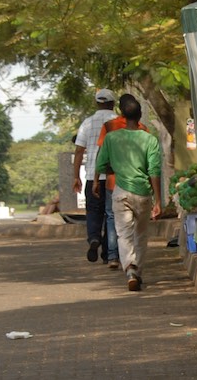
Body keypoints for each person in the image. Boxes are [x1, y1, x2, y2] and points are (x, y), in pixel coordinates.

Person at [93, 96, 162, 291]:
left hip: (120, 192)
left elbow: (101, 164)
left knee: (124, 234)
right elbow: (154, 171)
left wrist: (98, 180)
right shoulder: (150, 139)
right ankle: (137, 271)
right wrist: (158, 201)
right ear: (140, 116)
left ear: (122, 115)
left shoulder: (112, 138)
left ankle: (130, 268)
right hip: (143, 194)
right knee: (140, 234)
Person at [73, 89, 119, 265]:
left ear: (96, 103)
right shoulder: (117, 122)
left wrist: (76, 176)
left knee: (93, 211)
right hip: (112, 176)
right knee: (111, 215)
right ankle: (109, 253)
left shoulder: (87, 123)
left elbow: (79, 150)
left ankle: (93, 237)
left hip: (92, 175)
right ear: (112, 104)